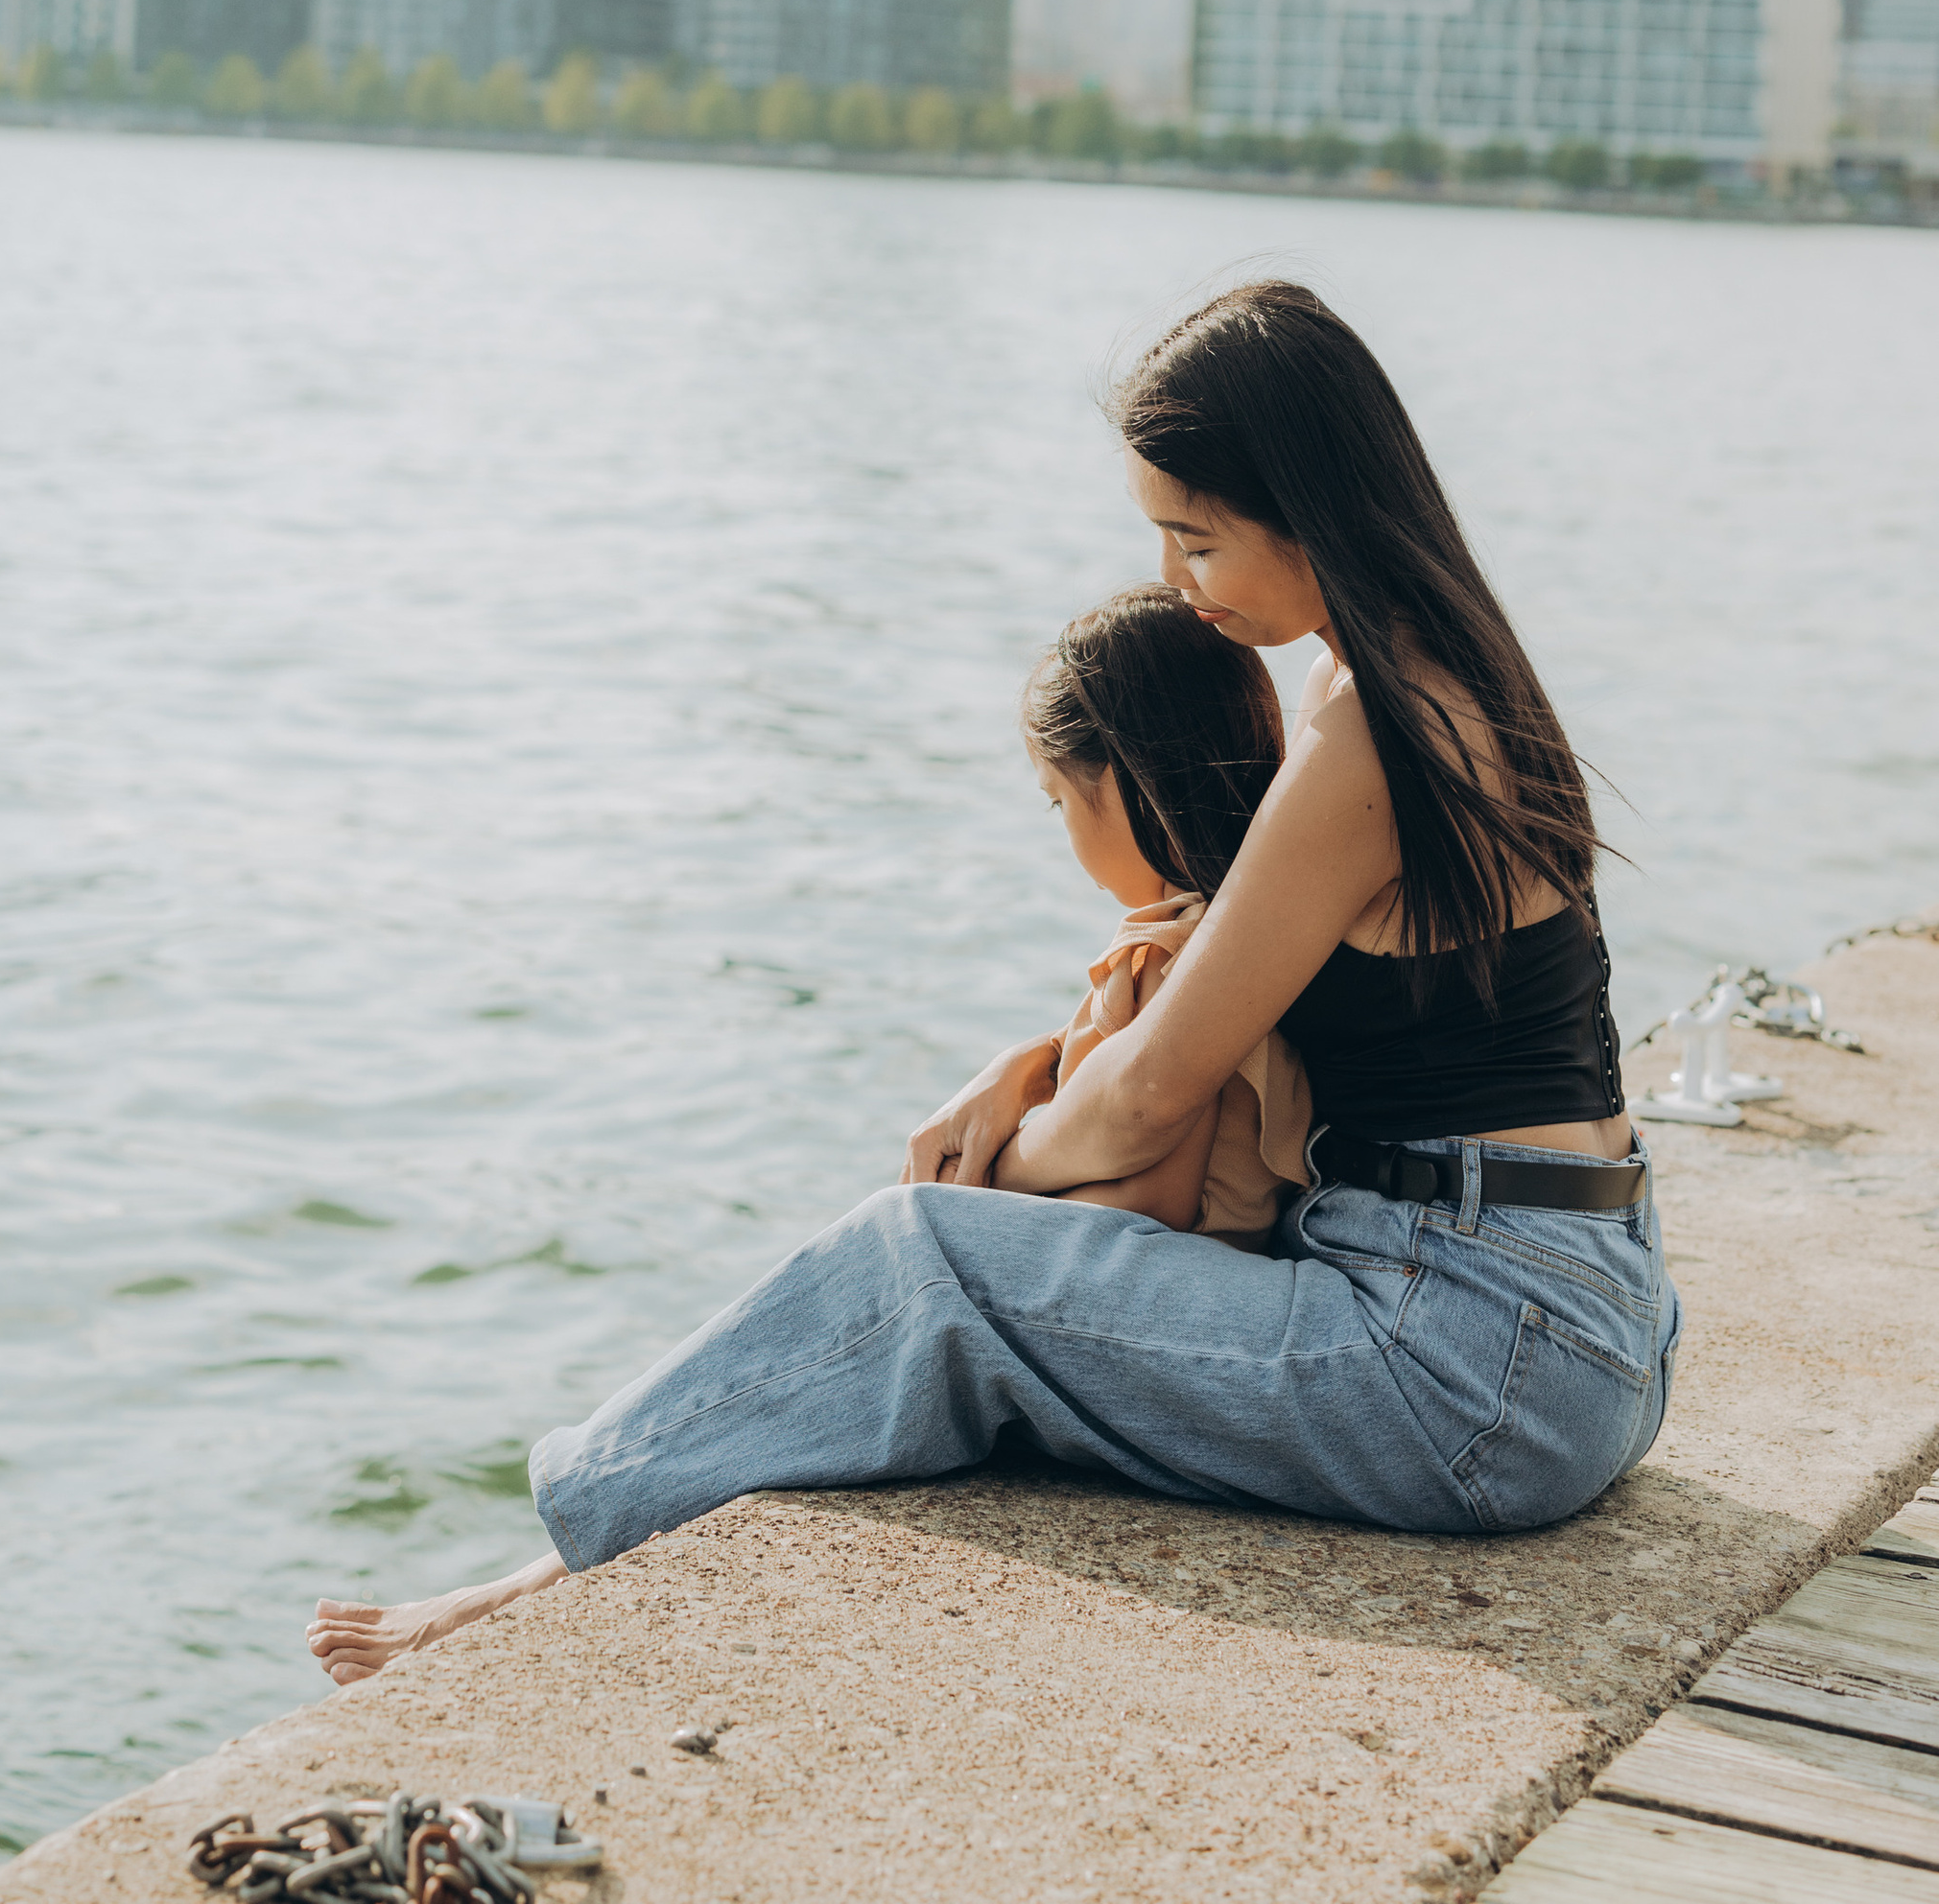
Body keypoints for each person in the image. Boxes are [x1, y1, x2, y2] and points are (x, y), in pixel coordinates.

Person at [307, 278, 1676, 1691]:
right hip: (1585, 1329)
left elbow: (1153, 1093)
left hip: (1472, 1367)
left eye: (1194, 538)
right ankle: (585, 1552)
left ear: (1303, 505)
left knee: (922, 1259)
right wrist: (1021, 1070)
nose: (1175, 582)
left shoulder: (1368, 735)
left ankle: (549, 1573)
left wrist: (987, 1185)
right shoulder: (1448, 678)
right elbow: (1242, 977)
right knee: (954, 1279)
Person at [1021, 581, 1312, 1240]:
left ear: (1128, 783)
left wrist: (986, 1192)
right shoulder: (1264, 934)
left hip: (1197, 1272)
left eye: (1058, 801)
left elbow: (1156, 1204)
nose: (1063, 828)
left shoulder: (1172, 955)